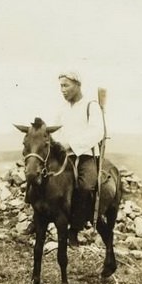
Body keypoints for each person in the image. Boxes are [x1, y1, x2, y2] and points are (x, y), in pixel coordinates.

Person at [54, 71, 104, 246]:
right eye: (60, 86)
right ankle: (38, 221)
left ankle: (74, 230)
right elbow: (58, 133)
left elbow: (97, 132)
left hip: (85, 155)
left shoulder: (91, 106)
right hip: (65, 156)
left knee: (85, 186)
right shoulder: (63, 109)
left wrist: (72, 144)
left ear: (77, 85)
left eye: (66, 85)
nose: (62, 90)